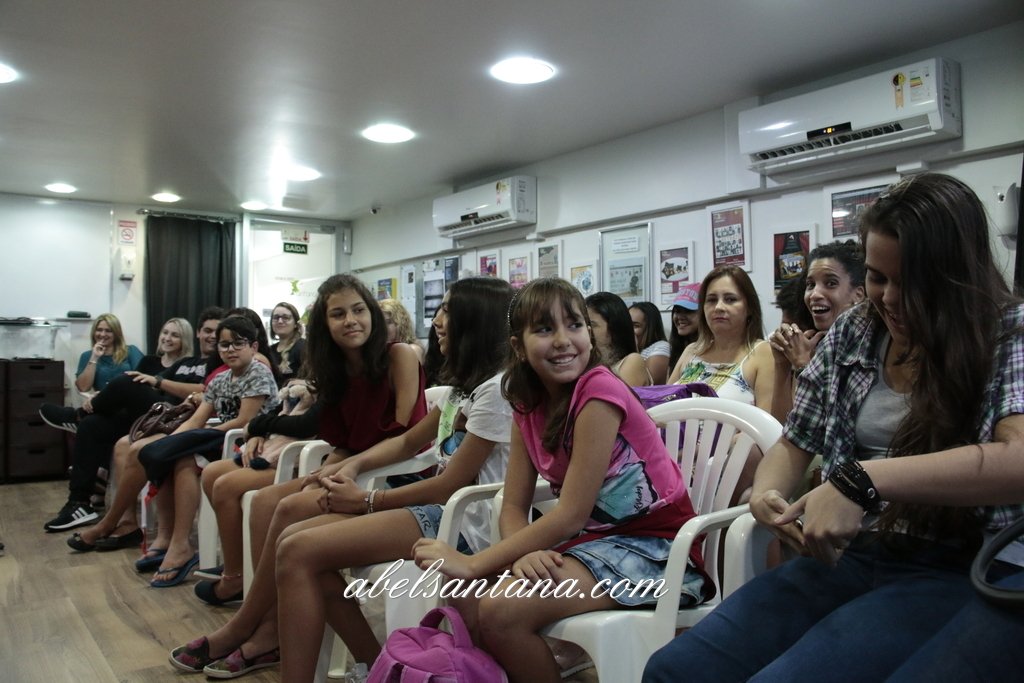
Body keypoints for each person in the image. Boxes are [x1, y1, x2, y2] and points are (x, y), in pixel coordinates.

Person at [643, 173, 1024, 682]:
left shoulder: (1007, 332)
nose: (890, 298)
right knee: (674, 669)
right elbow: (796, 440)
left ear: (956, 275)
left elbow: (1016, 460)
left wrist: (860, 480)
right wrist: (768, 495)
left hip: (962, 562)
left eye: (913, 281)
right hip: (851, 555)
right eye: (878, 278)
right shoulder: (855, 330)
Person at [411, 277, 709, 683]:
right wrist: (519, 555)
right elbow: (513, 504)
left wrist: (474, 562)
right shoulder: (524, 398)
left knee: (500, 610)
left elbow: (570, 515)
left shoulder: (598, 391)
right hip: (595, 544)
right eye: (544, 328)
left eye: (575, 325)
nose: (564, 340)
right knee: (465, 595)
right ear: (518, 346)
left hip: (658, 550)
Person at [168, 273, 427, 676]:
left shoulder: (400, 356)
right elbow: (343, 439)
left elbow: (404, 437)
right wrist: (331, 467)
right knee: (263, 501)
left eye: (358, 310)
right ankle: (268, 629)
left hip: (393, 477)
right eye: (338, 314)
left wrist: (344, 467)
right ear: (324, 323)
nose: (351, 321)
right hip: (355, 469)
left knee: (288, 507)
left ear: (372, 314)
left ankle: (242, 627)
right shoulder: (336, 369)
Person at [271, 276, 515, 680]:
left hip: (466, 526)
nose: (437, 321)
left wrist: (366, 501)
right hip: (440, 512)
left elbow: (449, 485)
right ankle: (379, 665)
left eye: (447, 311)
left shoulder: (496, 392)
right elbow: (407, 442)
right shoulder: (462, 389)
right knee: (295, 546)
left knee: (297, 551)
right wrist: (352, 467)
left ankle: (372, 668)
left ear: (476, 321)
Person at [40, 313, 217, 533]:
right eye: (207, 331)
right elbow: (147, 381)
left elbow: (203, 391)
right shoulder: (185, 363)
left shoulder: (217, 364)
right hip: (151, 416)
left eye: (216, 333)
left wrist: (158, 382)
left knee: (126, 380)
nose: (212, 336)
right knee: (92, 425)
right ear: (198, 333)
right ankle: (79, 502)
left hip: (176, 418)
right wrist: (108, 396)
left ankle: (78, 416)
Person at [768, 240, 865, 423]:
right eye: (810, 284)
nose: (814, 294)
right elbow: (783, 429)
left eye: (831, 283)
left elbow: (836, 427)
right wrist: (782, 365)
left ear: (858, 295)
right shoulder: (813, 345)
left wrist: (803, 365)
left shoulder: (868, 350)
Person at [667, 265, 774, 411]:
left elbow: (768, 421)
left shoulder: (764, 352)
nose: (718, 307)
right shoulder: (691, 351)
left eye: (730, 299)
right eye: (711, 300)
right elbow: (662, 402)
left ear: (749, 307)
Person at [586, 292, 651, 387]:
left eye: (592, 324)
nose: (586, 330)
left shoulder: (632, 361)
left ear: (614, 329)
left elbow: (611, 395)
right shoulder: (589, 363)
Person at [74, 313, 144, 394]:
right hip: (103, 399)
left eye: (108, 331)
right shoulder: (87, 356)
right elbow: (83, 388)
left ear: (116, 333)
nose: (103, 334)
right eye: (99, 330)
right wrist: (94, 357)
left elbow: (144, 379)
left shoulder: (131, 351)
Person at [630, 301, 671, 384]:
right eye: (627, 324)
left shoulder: (661, 346)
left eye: (635, 326)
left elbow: (649, 384)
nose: (628, 329)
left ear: (651, 328)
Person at [266, 302, 306, 386]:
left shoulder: (304, 347)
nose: (280, 321)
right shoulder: (269, 350)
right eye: (276, 317)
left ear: (296, 324)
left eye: (286, 317)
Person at [667, 283, 701, 377]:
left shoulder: (714, 350)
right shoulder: (676, 349)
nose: (680, 317)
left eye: (688, 311)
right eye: (677, 311)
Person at [381, 298, 425, 363]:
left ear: (401, 324)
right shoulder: (383, 351)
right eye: (379, 323)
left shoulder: (412, 349)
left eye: (388, 322)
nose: (382, 328)